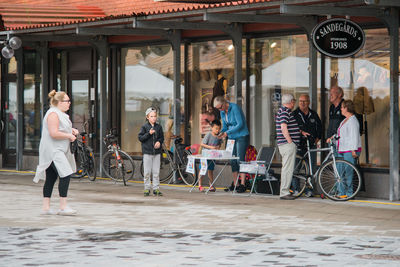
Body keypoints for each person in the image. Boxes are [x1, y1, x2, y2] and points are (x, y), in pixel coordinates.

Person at [33, 90, 78, 215]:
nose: (69, 103)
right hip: (53, 150)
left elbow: (59, 129)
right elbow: (53, 133)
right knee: (66, 173)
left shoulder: (59, 113)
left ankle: (46, 208)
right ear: (59, 102)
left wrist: (71, 130)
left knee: (51, 178)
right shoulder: (53, 113)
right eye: (67, 101)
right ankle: (63, 207)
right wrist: (69, 135)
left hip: (56, 150)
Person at [213, 96, 249, 193]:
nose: (220, 109)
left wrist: (227, 133)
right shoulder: (222, 112)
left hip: (241, 136)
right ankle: (235, 183)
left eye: (220, 107)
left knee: (240, 159)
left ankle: (243, 184)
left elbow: (240, 124)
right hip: (231, 137)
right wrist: (221, 133)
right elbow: (225, 126)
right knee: (232, 160)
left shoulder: (235, 108)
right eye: (218, 108)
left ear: (224, 103)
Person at [292, 94, 322, 197]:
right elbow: (291, 128)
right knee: (295, 169)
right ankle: (296, 189)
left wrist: (317, 139)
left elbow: (320, 128)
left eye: (304, 101)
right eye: (300, 101)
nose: (302, 103)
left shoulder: (313, 114)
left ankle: (309, 190)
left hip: (311, 146)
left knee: (311, 169)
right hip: (299, 145)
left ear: (309, 102)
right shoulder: (294, 114)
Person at [330, 100, 361, 198]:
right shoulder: (344, 120)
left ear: (347, 108)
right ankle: (341, 192)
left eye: (342, 107)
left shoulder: (353, 120)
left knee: (348, 172)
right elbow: (341, 134)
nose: (341, 109)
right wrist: (332, 138)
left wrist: (353, 150)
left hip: (349, 150)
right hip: (341, 148)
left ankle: (349, 193)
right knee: (340, 171)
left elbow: (354, 136)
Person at [275, 93, 300, 200]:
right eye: (294, 101)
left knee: (287, 168)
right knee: (287, 169)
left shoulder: (282, 111)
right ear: (291, 102)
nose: (294, 103)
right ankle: (284, 192)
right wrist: (290, 142)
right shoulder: (285, 112)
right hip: (287, 144)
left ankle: (284, 191)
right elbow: (283, 127)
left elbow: (287, 126)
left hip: (285, 144)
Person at [138, 107, 164, 196]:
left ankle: (156, 188)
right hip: (147, 153)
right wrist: (149, 133)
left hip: (156, 153)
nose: (154, 118)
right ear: (147, 117)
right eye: (152, 116)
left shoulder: (159, 127)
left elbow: (161, 137)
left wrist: (159, 142)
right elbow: (140, 138)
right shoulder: (144, 127)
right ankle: (147, 188)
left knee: (156, 172)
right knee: (147, 172)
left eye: (155, 116)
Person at [199, 120, 222, 192]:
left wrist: (218, 147)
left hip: (212, 156)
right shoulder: (209, 134)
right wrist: (211, 147)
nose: (217, 130)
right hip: (205, 155)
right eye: (216, 128)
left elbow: (219, 144)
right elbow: (202, 144)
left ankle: (211, 185)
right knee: (203, 169)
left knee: (210, 170)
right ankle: (200, 185)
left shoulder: (219, 136)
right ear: (212, 127)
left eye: (219, 129)